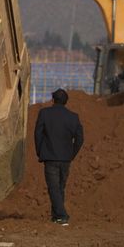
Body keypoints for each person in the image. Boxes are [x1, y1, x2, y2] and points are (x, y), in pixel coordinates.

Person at [34, 88, 84, 226]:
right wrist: (72, 154)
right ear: (66, 101)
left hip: (50, 157)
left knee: (53, 188)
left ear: (53, 99)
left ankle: (62, 216)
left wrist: (40, 151)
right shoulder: (73, 117)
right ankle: (56, 216)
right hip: (66, 159)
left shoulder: (44, 113)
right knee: (60, 187)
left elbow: (38, 134)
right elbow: (80, 138)